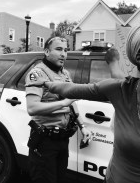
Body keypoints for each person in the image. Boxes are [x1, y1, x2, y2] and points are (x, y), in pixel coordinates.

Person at [27, 20, 140, 183]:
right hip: (48, 143)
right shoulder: (121, 90)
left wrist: (81, 124)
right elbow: (72, 90)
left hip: (62, 140)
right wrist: (47, 83)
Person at [25, 36, 91, 183]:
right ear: (47, 51)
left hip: (62, 139)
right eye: (59, 49)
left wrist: (83, 126)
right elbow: (32, 107)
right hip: (44, 141)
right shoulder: (38, 73)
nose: (64, 54)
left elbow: (72, 102)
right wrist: (64, 103)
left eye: (66, 50)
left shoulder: (65, 74)